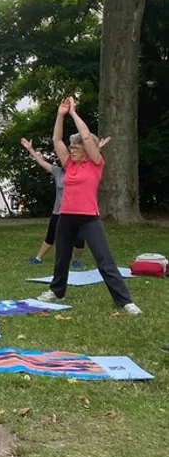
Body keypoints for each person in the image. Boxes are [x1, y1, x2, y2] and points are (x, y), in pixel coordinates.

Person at [37, 98, 139, 314]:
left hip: (88, 218)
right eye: (71, 147)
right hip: (66, 216)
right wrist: (60, 115)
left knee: (105, 259)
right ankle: (57, 291)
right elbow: (56, 140)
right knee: (61, 257)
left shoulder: (95, 164)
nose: (72, 149)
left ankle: (125, 301)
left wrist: (74, 113)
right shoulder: (69, 165)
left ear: (87, 149)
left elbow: (85, 136)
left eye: (76, 147)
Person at [21, 135, 111, 267]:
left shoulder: (83, 169)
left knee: (79, 239)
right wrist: (31, 149)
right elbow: (42, 162)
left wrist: (98, 147)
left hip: (79, 210)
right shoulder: (58, 172)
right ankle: (38, 258)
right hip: (59, 211)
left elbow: (89, 156)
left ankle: (76, 261)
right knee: (51, 236)